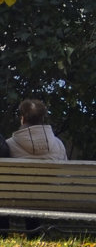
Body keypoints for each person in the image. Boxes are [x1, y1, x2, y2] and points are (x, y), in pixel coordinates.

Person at [0, 99, 67, 233]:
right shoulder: (58, 144)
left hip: (15, 197)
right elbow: (65, 175)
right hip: (50, 195)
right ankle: (34, 232)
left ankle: (3, 233)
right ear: (43, 118)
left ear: (22, 119)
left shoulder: (10, 144)